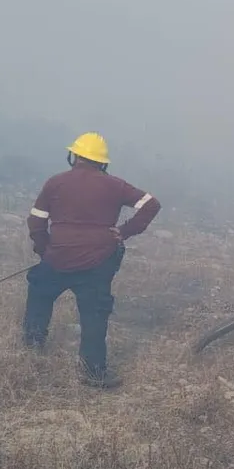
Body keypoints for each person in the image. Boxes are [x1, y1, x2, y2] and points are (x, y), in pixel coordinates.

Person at [24, 132, 161, 388]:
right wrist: (125, 231)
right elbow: (151, 204)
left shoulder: (56, 183)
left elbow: (36, 220)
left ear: (74, 156)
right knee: (94, 314)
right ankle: (93, 373)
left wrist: (44, 250)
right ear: (102, 162)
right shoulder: (115, 185)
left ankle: (31, 350)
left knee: (39, 295)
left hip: (57, 257)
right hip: (99, 261)